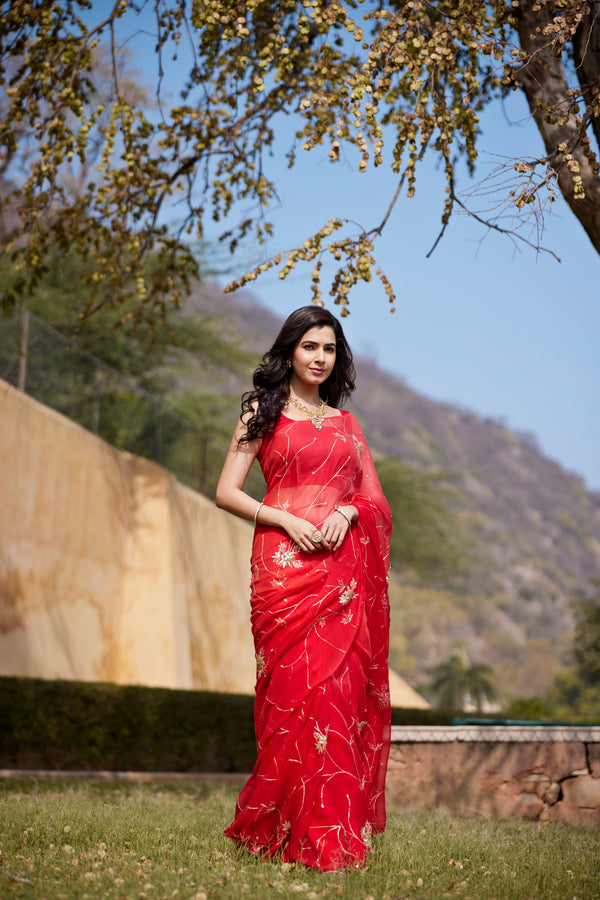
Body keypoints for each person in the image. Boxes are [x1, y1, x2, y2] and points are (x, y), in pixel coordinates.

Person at [216, 306, 392, 872]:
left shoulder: (348, 426)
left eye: (329, 349)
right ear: (290, 350)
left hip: (340, 576)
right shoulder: (259, 413)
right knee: (290, 697)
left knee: (337, 700)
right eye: (310, 347)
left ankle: (333, 836)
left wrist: (349, 511)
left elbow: (376, 501)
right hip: (283, 568)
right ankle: (273, 825)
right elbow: (227, 492)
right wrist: (285, 520)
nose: (320, 358)